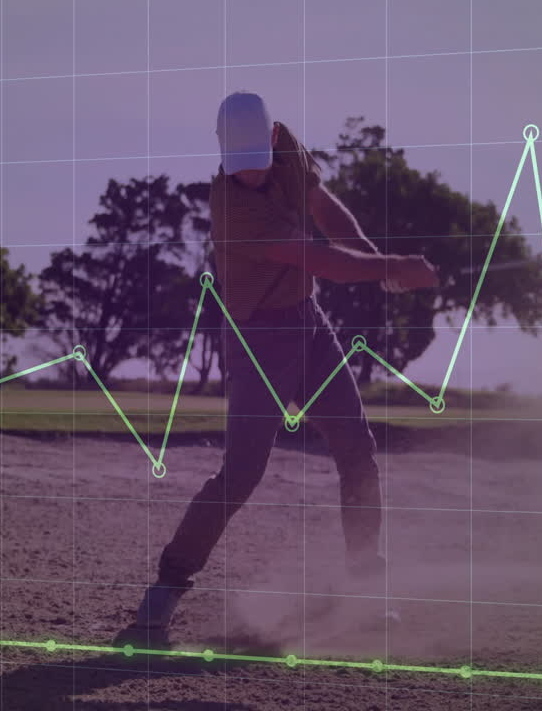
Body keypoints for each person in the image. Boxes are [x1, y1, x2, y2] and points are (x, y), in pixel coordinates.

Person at [115, 91, 439, 650]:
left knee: (356, 448)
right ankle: (166, 587)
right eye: (237, 167)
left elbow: (322, 205)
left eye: (257, 163)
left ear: (272, 139)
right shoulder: (234, 209)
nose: (249, 176)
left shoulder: (284, 148)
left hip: (307, 322)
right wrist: (393, 267)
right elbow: (324, 261)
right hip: (257, 339)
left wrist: (375, 256)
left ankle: (365, 585)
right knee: (243, 473)